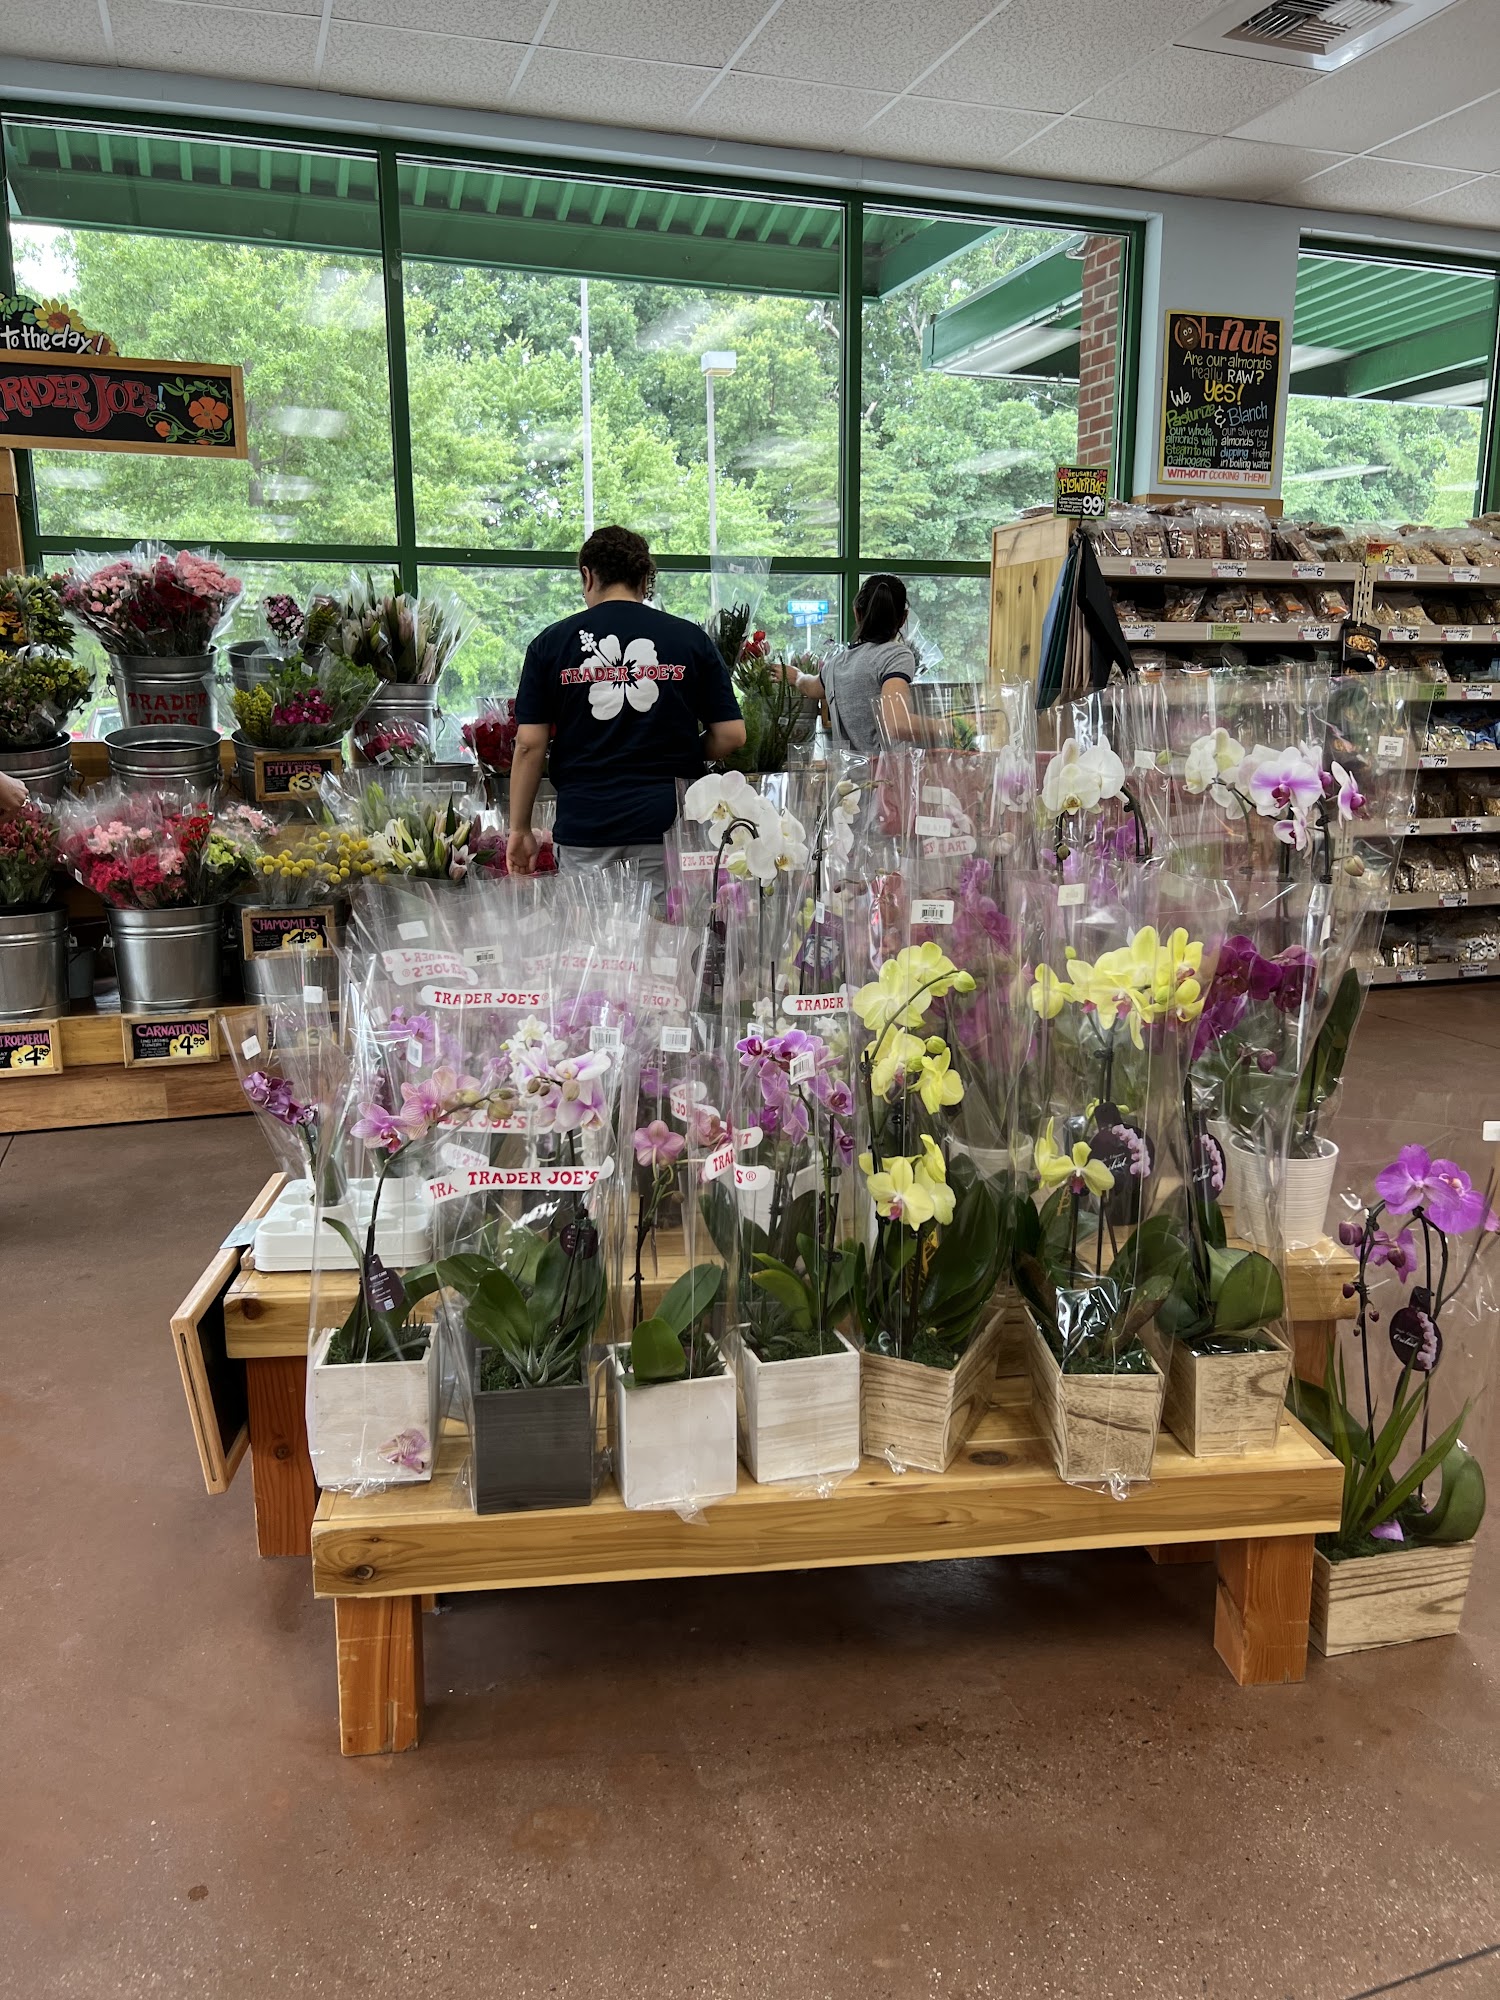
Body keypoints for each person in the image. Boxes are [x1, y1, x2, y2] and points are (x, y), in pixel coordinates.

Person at [506, 526, 746, 890]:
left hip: (586, 827)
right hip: (668, 828)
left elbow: (528, 745)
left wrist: (520, 829)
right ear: (644, 579)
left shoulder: (550, 645)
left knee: (591, 927)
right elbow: (731, 735)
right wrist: (683, 750)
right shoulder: (689, 639)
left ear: (588, 576)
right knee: (670, 927)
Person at [781, 573, 941, 753]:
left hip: (847, 770)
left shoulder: (836, 664)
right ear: (904, 618)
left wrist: (796, 676)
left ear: (857, 613)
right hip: (886, 770)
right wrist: (952, 726)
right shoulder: (896, 655)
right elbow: (897, 724)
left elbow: (810, 687)